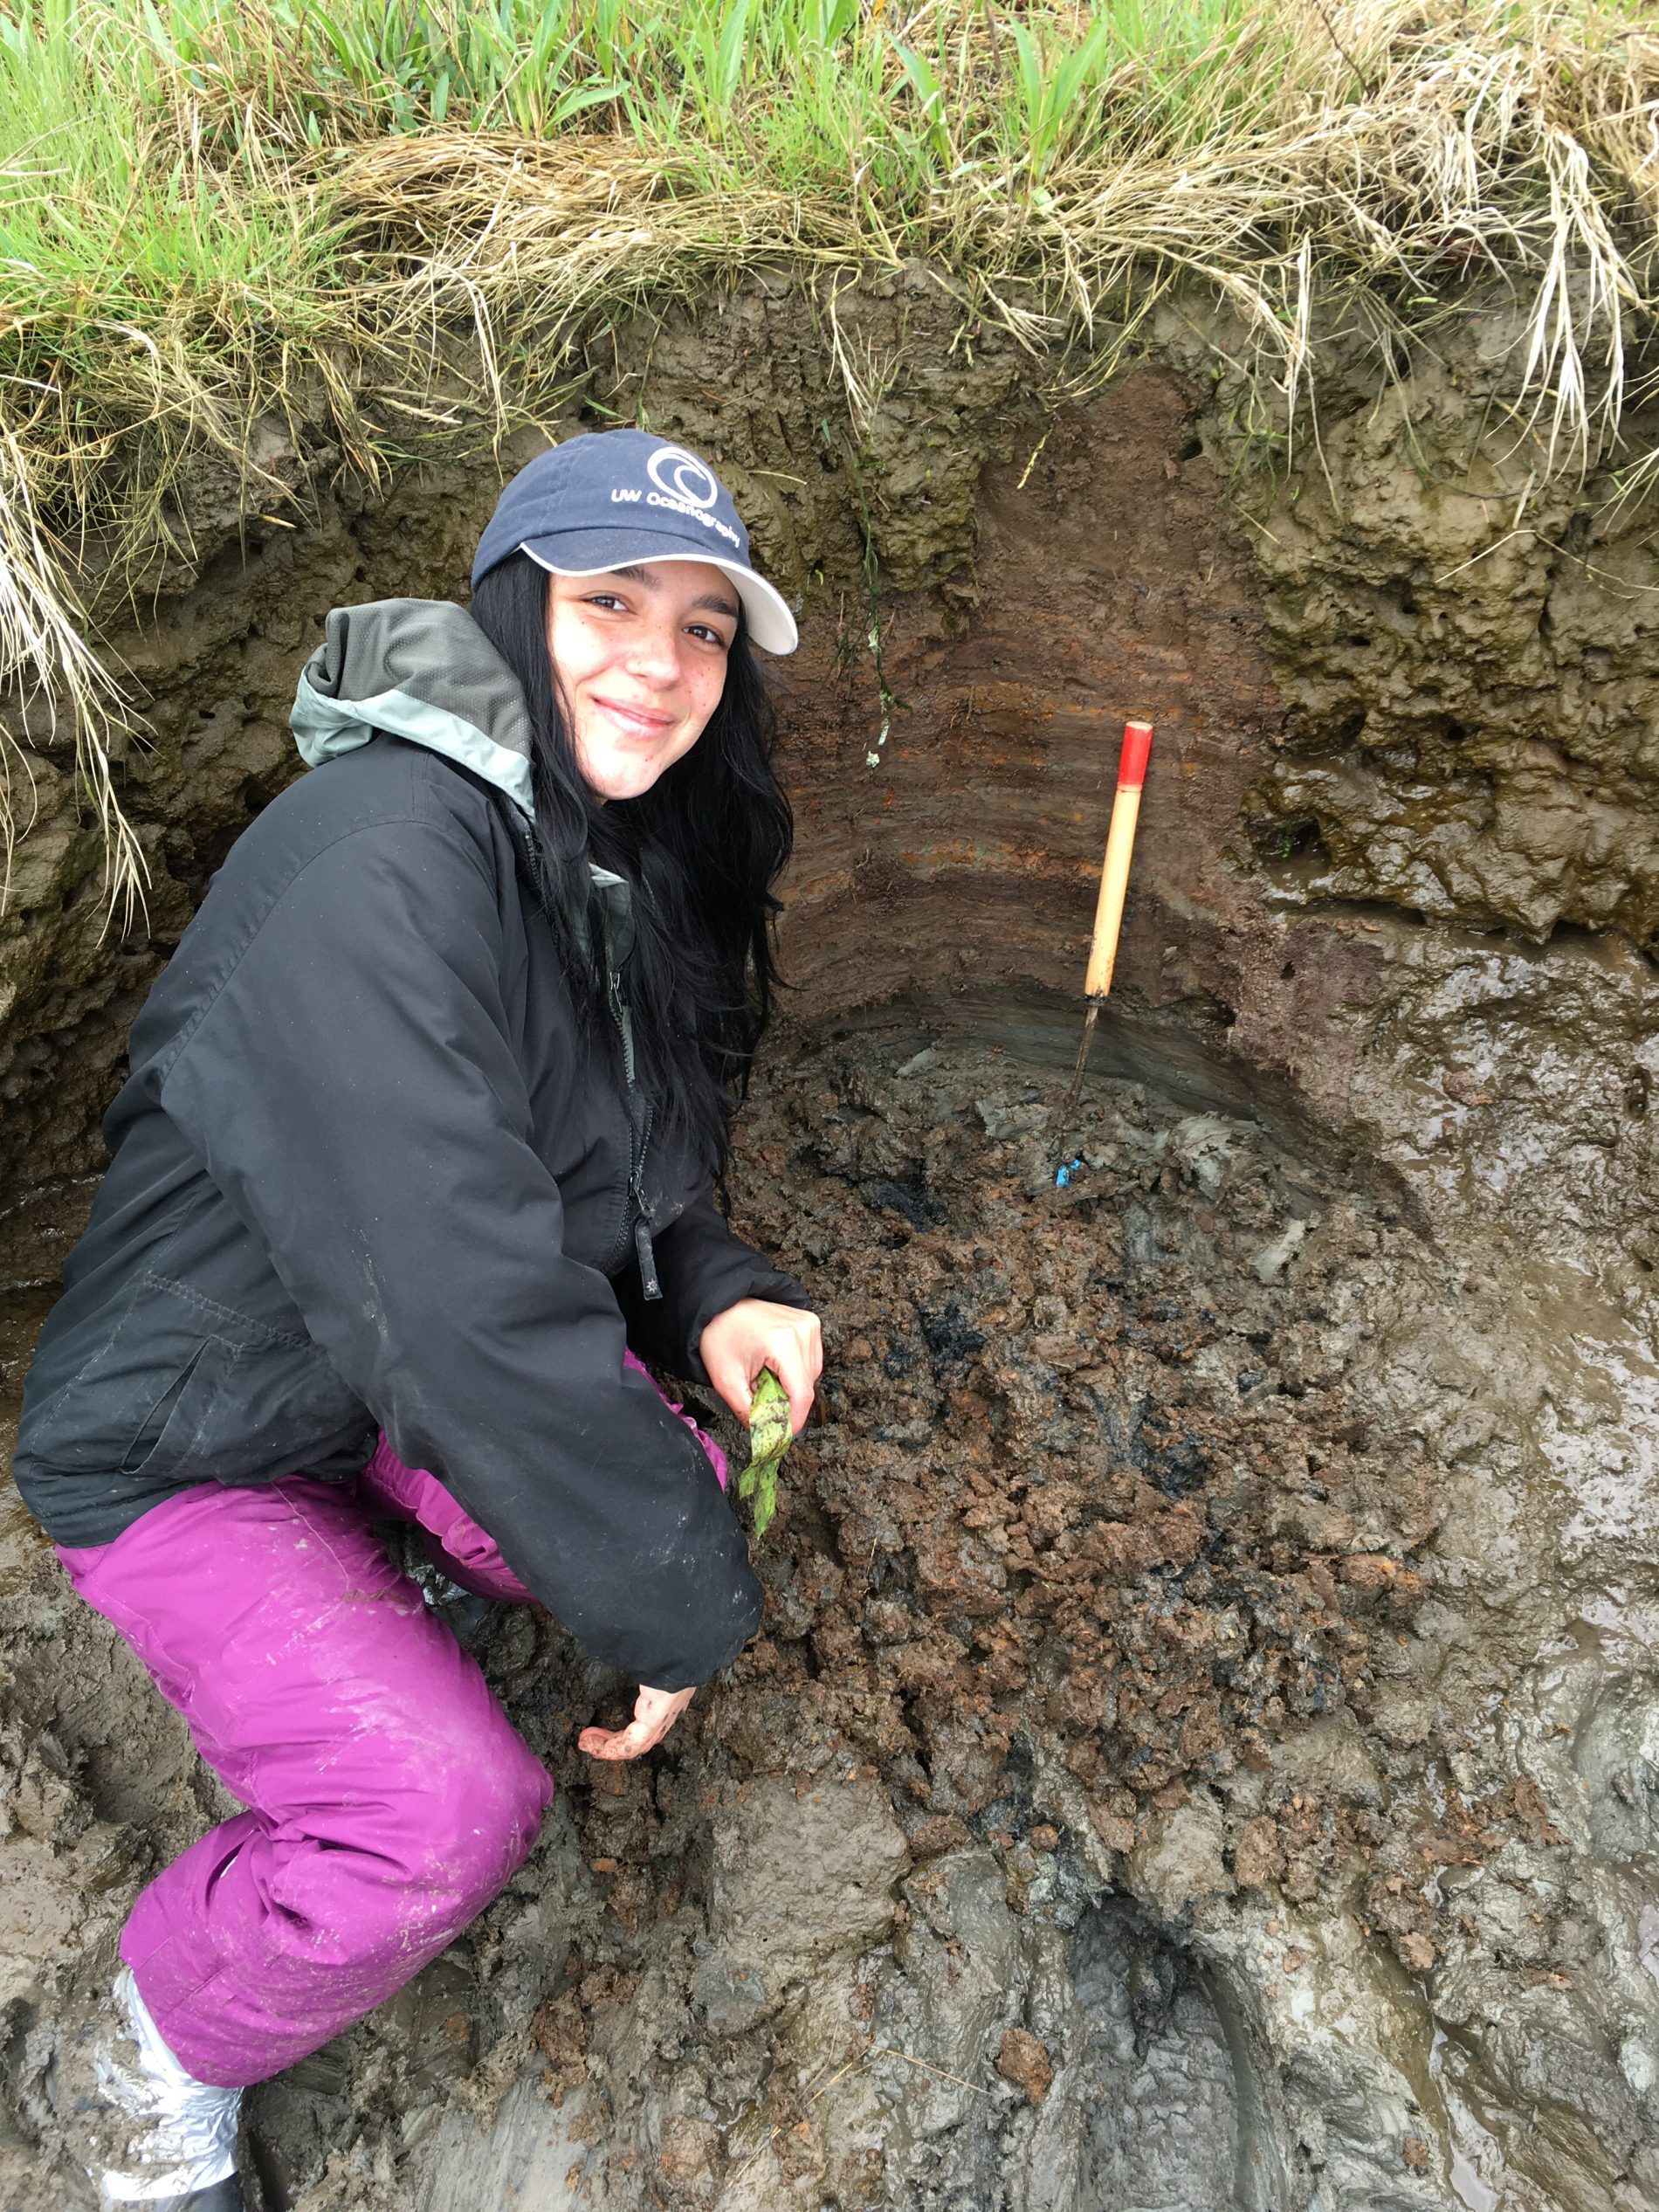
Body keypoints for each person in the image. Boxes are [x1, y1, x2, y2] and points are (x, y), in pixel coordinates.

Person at [11, 430, 823, 2209]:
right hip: (184, 1448)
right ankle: (150, 2054)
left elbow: (605, 1157)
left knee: (659, 1484)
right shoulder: (383, 862)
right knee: (443, 1813)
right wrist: (679, 1605)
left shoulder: (580, 845)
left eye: (702, 629)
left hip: (355, 1386)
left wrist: (713, 1284)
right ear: (515, 605)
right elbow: (467, 1313)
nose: (659, 665)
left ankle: (424, 1564)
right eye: (611, 605)